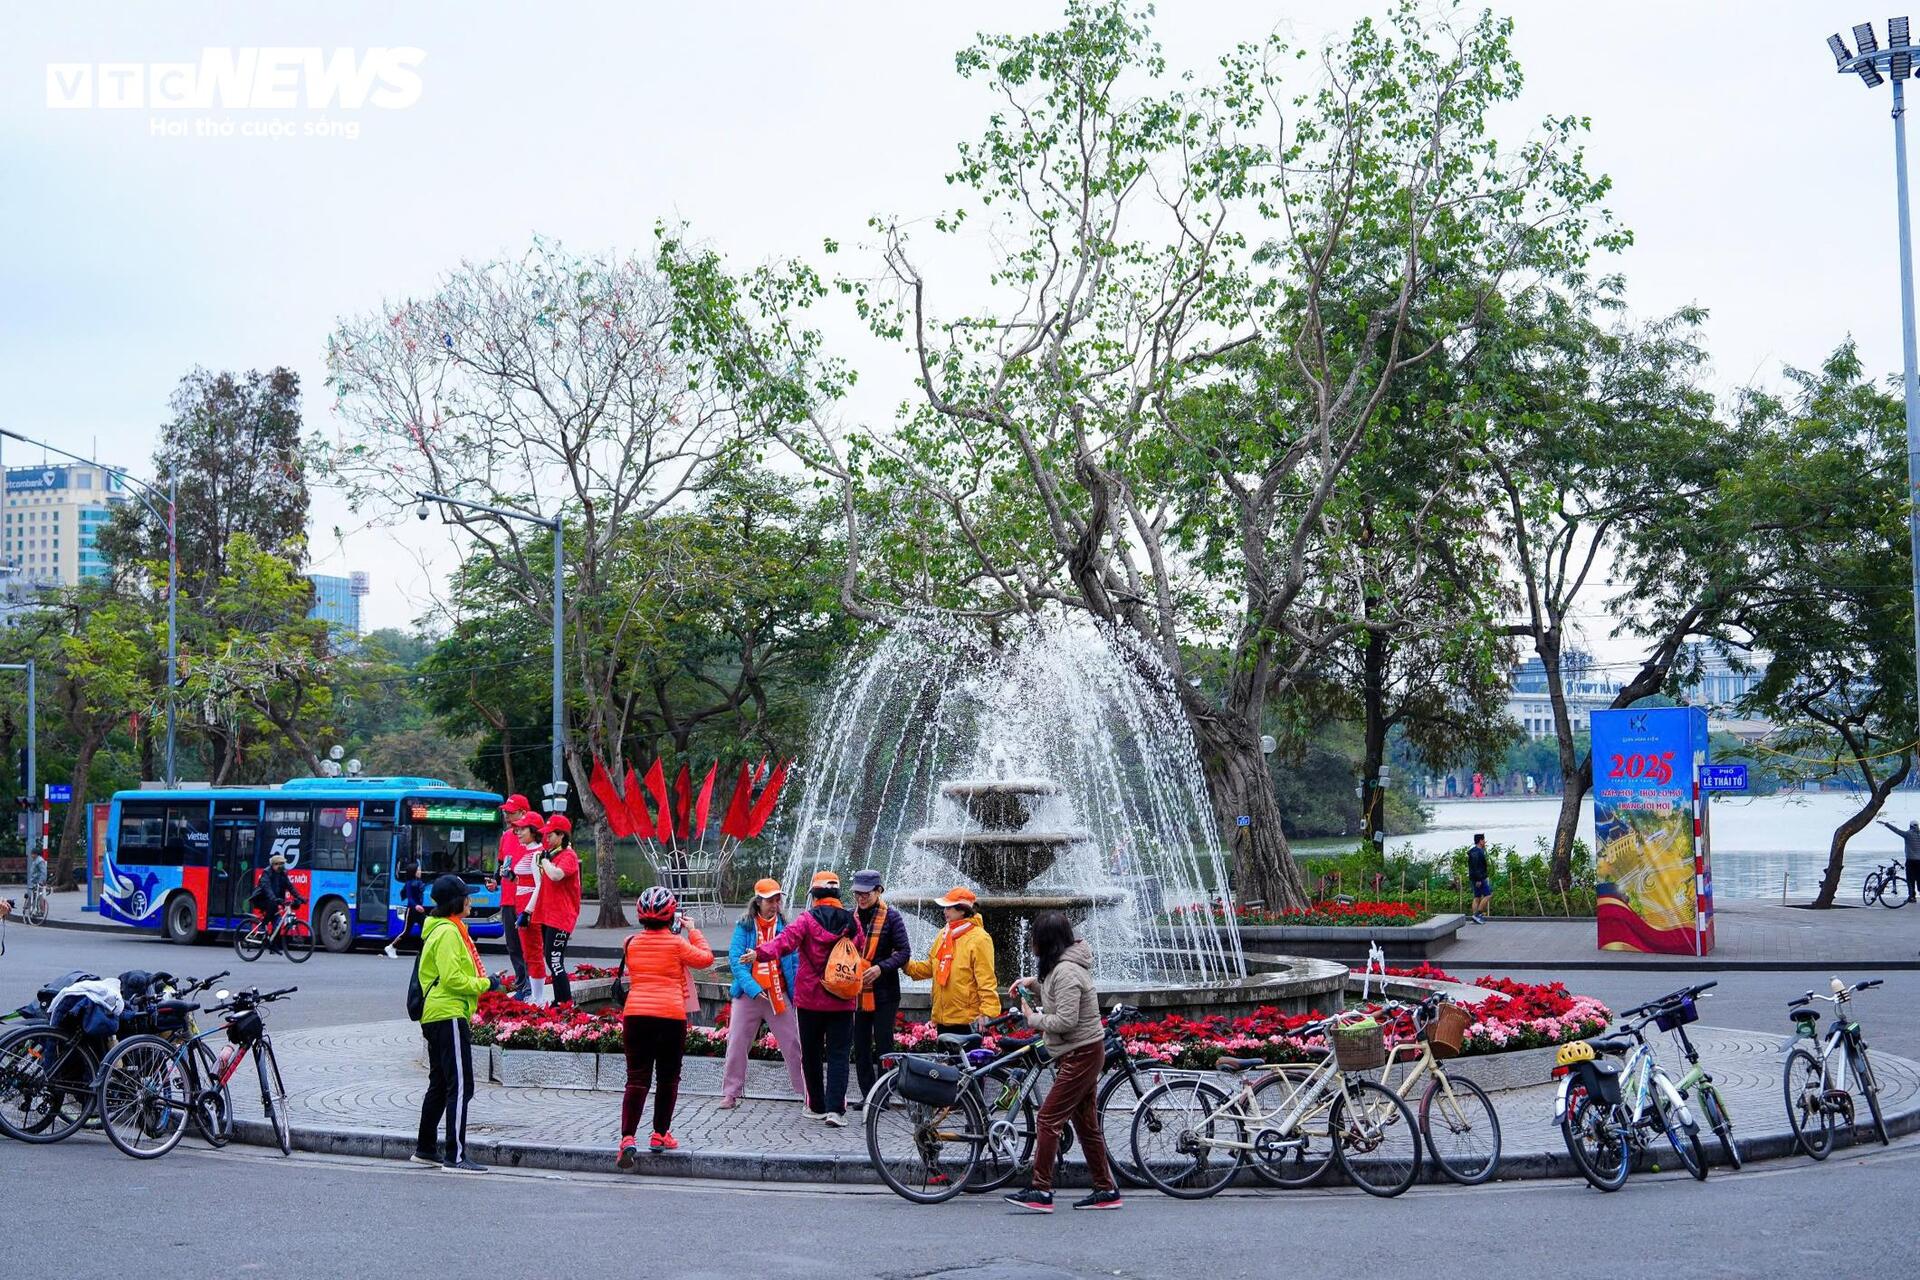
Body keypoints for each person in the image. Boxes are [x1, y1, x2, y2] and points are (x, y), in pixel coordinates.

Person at [1003, 912, 1122, 1213]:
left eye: (1034, 937)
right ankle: (1106, 1189)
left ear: (1046, 940)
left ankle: (1041, 1190)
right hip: (1079, 1051)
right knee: (1086, 1125)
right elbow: (1057, 994)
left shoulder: (1067, 971)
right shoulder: (1061, 968)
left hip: (1080, 1053)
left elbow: (1066, 1019)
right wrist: (1032, 983)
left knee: (1047, 1118)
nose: (1030, 941)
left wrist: (1033, 1019)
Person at [753, 870, 865, 1126]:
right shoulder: (851, 921)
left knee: (812, 1054)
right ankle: (836, 1110)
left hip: (810, 1001)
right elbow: (858, 949)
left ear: (814, 895)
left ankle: (816, 1106)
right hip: (841, 998)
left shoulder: (805, 920)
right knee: (838, 1054)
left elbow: (784, 943)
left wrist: (759, 953)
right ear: (837, 894)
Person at [614, 886, 714, 1165]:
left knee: (636, 1079)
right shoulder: (677, 944)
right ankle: (659, 1134)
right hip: (670, 1016)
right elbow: (705, 959)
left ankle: (627, 1138)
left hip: (636, 1016)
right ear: (672, 916)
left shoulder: (630, 942)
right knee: (667, 1079)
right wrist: (693, 930)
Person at [415, 873, 502, 1173]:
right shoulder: (449, 933)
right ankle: (455, 1155)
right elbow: (453, 979)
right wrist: (486, 984)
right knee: (461, 1086)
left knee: (440, 1083)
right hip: (448, 1013)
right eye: (467, 896)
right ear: (457, 902)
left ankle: (425, 1148)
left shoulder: (443, 928)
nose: (470, 900)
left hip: (437, 1014)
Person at [721, 878, 808, 1110]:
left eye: (777, 899)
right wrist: (753, 988)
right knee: (737, 1042)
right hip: (748, 996)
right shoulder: (744, 926)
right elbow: (736, 961)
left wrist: (798, 993)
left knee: (793, 1044)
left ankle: (807, 1094)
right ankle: (730, 1093)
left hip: (778, 994)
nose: (774, 904)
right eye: (769, 900)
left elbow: (796, 964)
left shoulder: (787, 928)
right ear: (757, 901)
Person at [849, 868, 911, 1109]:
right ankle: (869, 1096)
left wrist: (880, 968)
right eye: (857, 893)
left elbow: (905, 952)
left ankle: (884, 1094)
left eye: (866, 893)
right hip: (857, 991)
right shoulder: (850, 917)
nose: (861, 898)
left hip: (885, 992)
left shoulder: (892, 917)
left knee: (884, 1044)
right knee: (861, 1045)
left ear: (878, 891)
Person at [904, 886, 1000, 1034]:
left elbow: (986, 979)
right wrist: (905, 963)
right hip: (943, 1019)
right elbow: (931, 967)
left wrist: (986, 1012)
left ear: (962, 910)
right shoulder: (944, 933)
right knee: (946, 1057)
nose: (944, 911)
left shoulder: (980, 938)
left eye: (948, 907)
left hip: (968, 1021)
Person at [531, 814, 582, 1004]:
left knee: (555, 960)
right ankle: (559, 1000)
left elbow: (556, 875)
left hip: (561, 917)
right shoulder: (554, 855)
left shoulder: (568, 856)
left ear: (561, 835)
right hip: (548, 916)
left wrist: (544, 861)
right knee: (550, 959)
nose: (546, 839)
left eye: (550, 835)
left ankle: (565, 1002)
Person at [493, 795, 534, 998]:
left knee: (528, 945)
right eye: (506, 812)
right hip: (508, 898)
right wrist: (494, 880)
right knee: (512, 945)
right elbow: (501, 863)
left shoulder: (535, 838)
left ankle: (530, 984)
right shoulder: (507, 836)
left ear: (523, 813)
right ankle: (521, 984)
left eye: (511, 812)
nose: (507, 816)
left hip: (526, 901)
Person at [512, 812, 550, 1003]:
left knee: (533, 950)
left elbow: (540, 885)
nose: (518, 832)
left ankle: (538, 997)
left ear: (533, 831)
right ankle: (536, 996)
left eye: (522, 829)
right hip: (522, 904)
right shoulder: (527, 851)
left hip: (529, 907)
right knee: (528, 951)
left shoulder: (537, 854)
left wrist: (527, 912)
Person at [383, 862, 428, 958]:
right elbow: (410, 899)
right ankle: (391, 947)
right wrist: (416, 906)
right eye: (418, 870)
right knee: (406, 932)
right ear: (413, 872)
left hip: (419, 911)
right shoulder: (409, 884)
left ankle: (424, 950)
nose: (420, 871)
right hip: (411, 911)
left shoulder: (419, 882)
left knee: (426, 930)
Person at [1875, 819, 1920, 902]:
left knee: (1910, 879)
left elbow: (1897, 830)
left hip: (1910, 861)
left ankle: (1912, 897)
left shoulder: (1908, 834)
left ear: (1910, 826)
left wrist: (1886, 824)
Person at [1467, 834, 1491, 924]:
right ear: (1480, 841)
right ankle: (1477, 914)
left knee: (1477, 897)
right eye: (1484, 840)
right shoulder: (1478, 853)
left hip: (1475, 877)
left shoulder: (1473, 851)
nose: (1485, 842)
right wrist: (1479, 879)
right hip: (1479, 878)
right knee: (1488, 895)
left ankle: (1475, 917)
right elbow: (1477, 867)